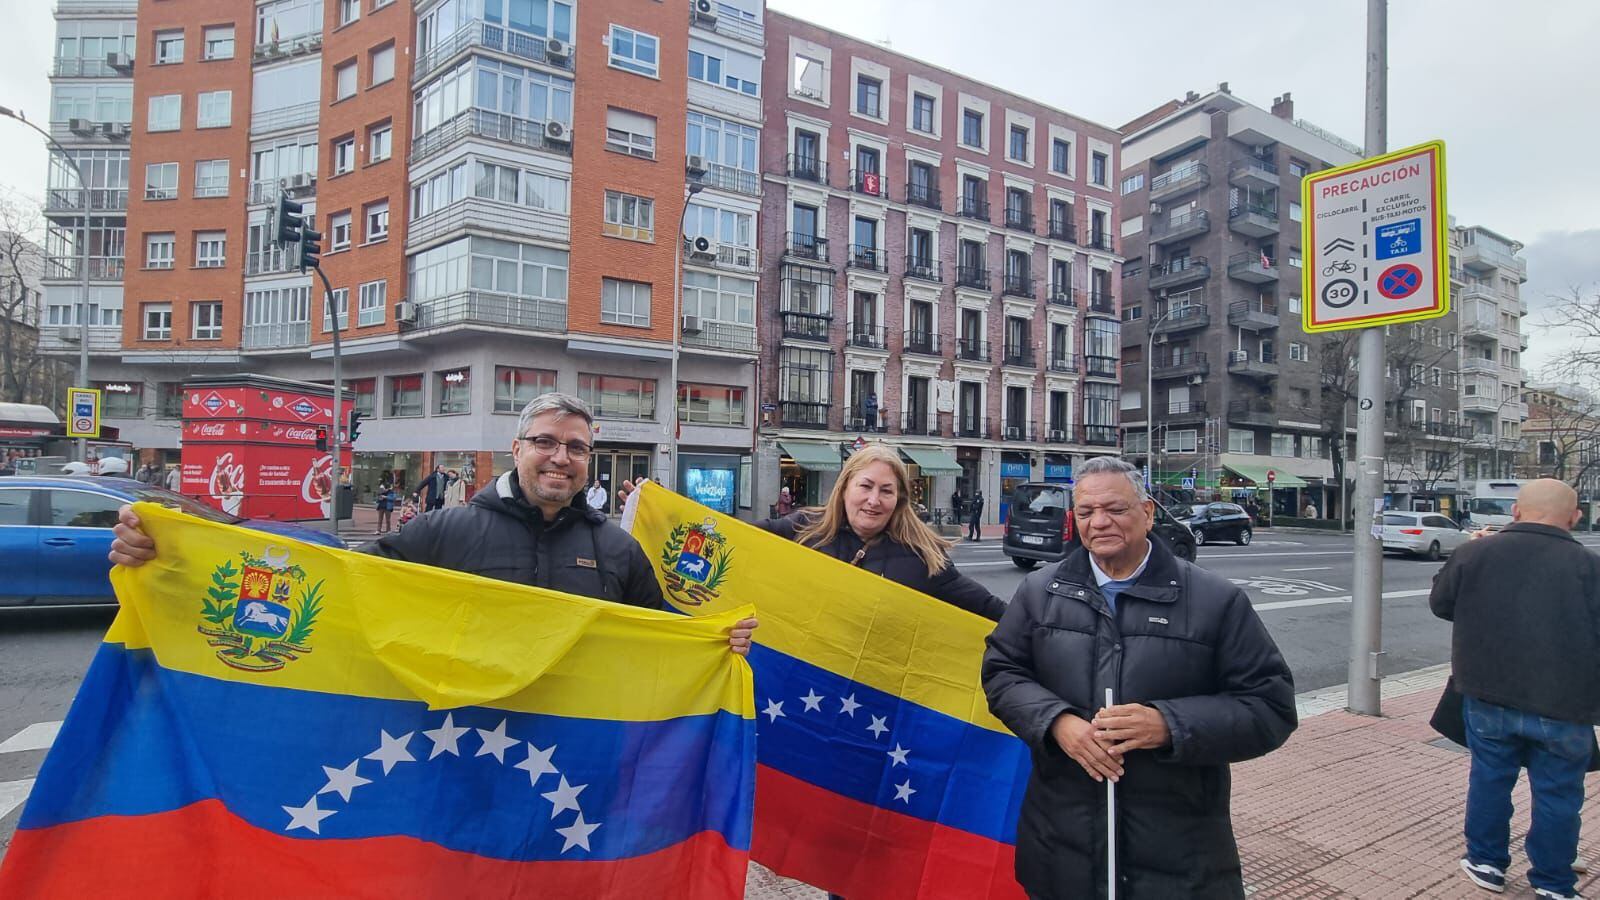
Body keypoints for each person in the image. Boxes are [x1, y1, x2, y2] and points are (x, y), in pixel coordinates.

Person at [108, 393, 757, 656]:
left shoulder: (616, 550)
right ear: (518, 448)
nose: (561, 456)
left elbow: (662, 634)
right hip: (465, 749)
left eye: (577, 447)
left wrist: (717, 638)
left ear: (589, 460)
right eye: (546, 442)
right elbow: (335, 570)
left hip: (580, 755)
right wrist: (179, 550)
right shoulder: (447, 531)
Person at [982, 455, 1296, 898]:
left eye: (1115, 509)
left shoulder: (1215, 600)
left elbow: (1271, 707)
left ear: (1147, 512)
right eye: (1087, 512)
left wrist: (1169, 725)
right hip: (1061, 850)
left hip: (1178, 858)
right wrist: (1057, 723)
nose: (1099, 523)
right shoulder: (1039, 591)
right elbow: (1001, 673)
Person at [1429, 479, 1600, 899]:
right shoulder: (1591, 567)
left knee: (1489, 779)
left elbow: (1441, 602)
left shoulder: (1475, 552)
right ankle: (1554, 882)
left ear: (1516, 512)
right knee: (1559, 794)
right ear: (1575, 517)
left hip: (1487, 694)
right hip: (1565, 704)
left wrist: (1469, 552)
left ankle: (1486, 862)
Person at [619, 444, 1005, 623]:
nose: (874, 500)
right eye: (866, 486)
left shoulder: (924, 559)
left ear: (899, 500)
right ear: (846, 487)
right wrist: (660, 512)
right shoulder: (802, 529)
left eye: (887, 491)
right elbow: (730, 539)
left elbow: (991, 610)